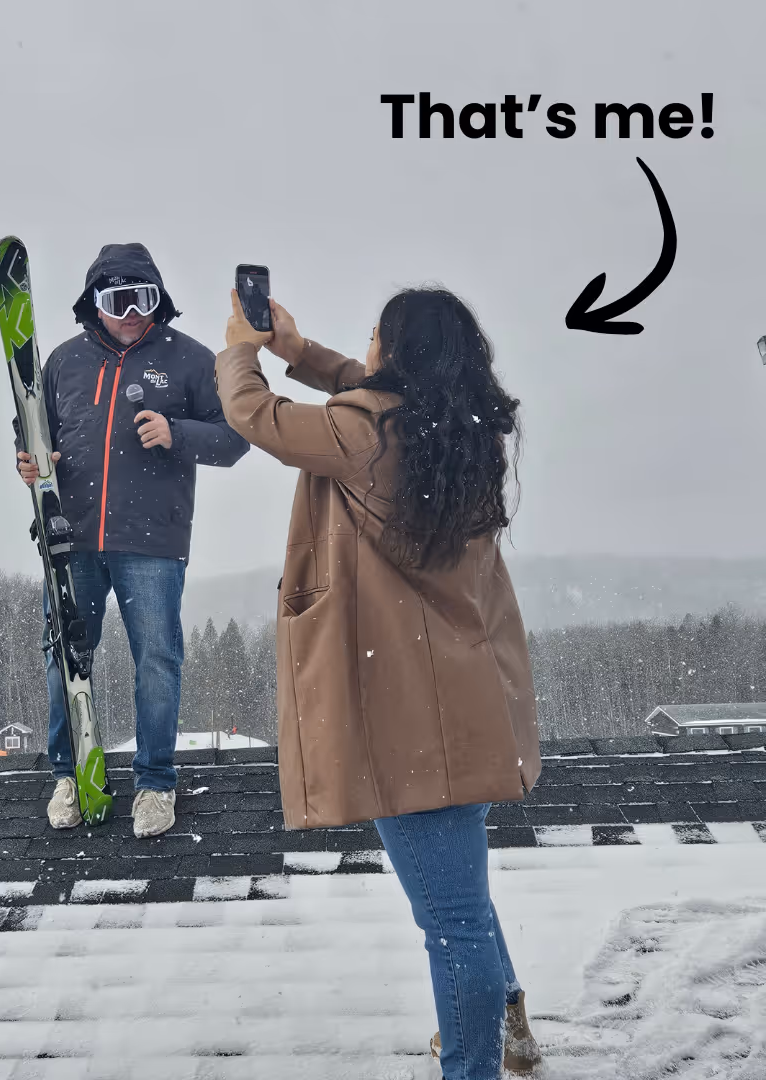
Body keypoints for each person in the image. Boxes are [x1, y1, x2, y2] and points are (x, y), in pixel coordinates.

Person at [215, 287, 543, 1080]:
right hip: (468, 697)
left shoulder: (367, 435)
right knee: (463, 891)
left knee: (449, 918)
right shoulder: (461, 433)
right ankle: (508, 1025)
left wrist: (241, 350)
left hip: (409, 719)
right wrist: (300, 351)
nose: (365, 349)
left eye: (375, 339)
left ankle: (473, 1067)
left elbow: (256, 417)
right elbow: (370, 400)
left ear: (398, 355)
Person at [17, 243, 248, 838]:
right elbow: (30, 428)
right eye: (115, 299)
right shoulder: (65, 362)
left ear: (158, 299)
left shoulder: (191, 361)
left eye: (141, 298)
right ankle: (70, 773)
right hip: (71, 536)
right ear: (93, 303)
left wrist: (177, 433)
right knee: (65, 656)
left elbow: (235, 437)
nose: (129, 312)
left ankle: (155, 783)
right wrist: (30, 463)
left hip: (152, 541)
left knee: (157, 659)